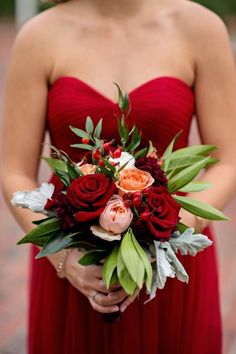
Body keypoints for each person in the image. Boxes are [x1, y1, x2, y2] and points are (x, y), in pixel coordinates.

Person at [1, 0, 236, 353]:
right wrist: (66, 260)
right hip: (73, 264)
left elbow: (228, 160)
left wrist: (161, 243)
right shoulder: (40, 36)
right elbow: (13, 170)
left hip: (172, 265)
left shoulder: (201, 28)